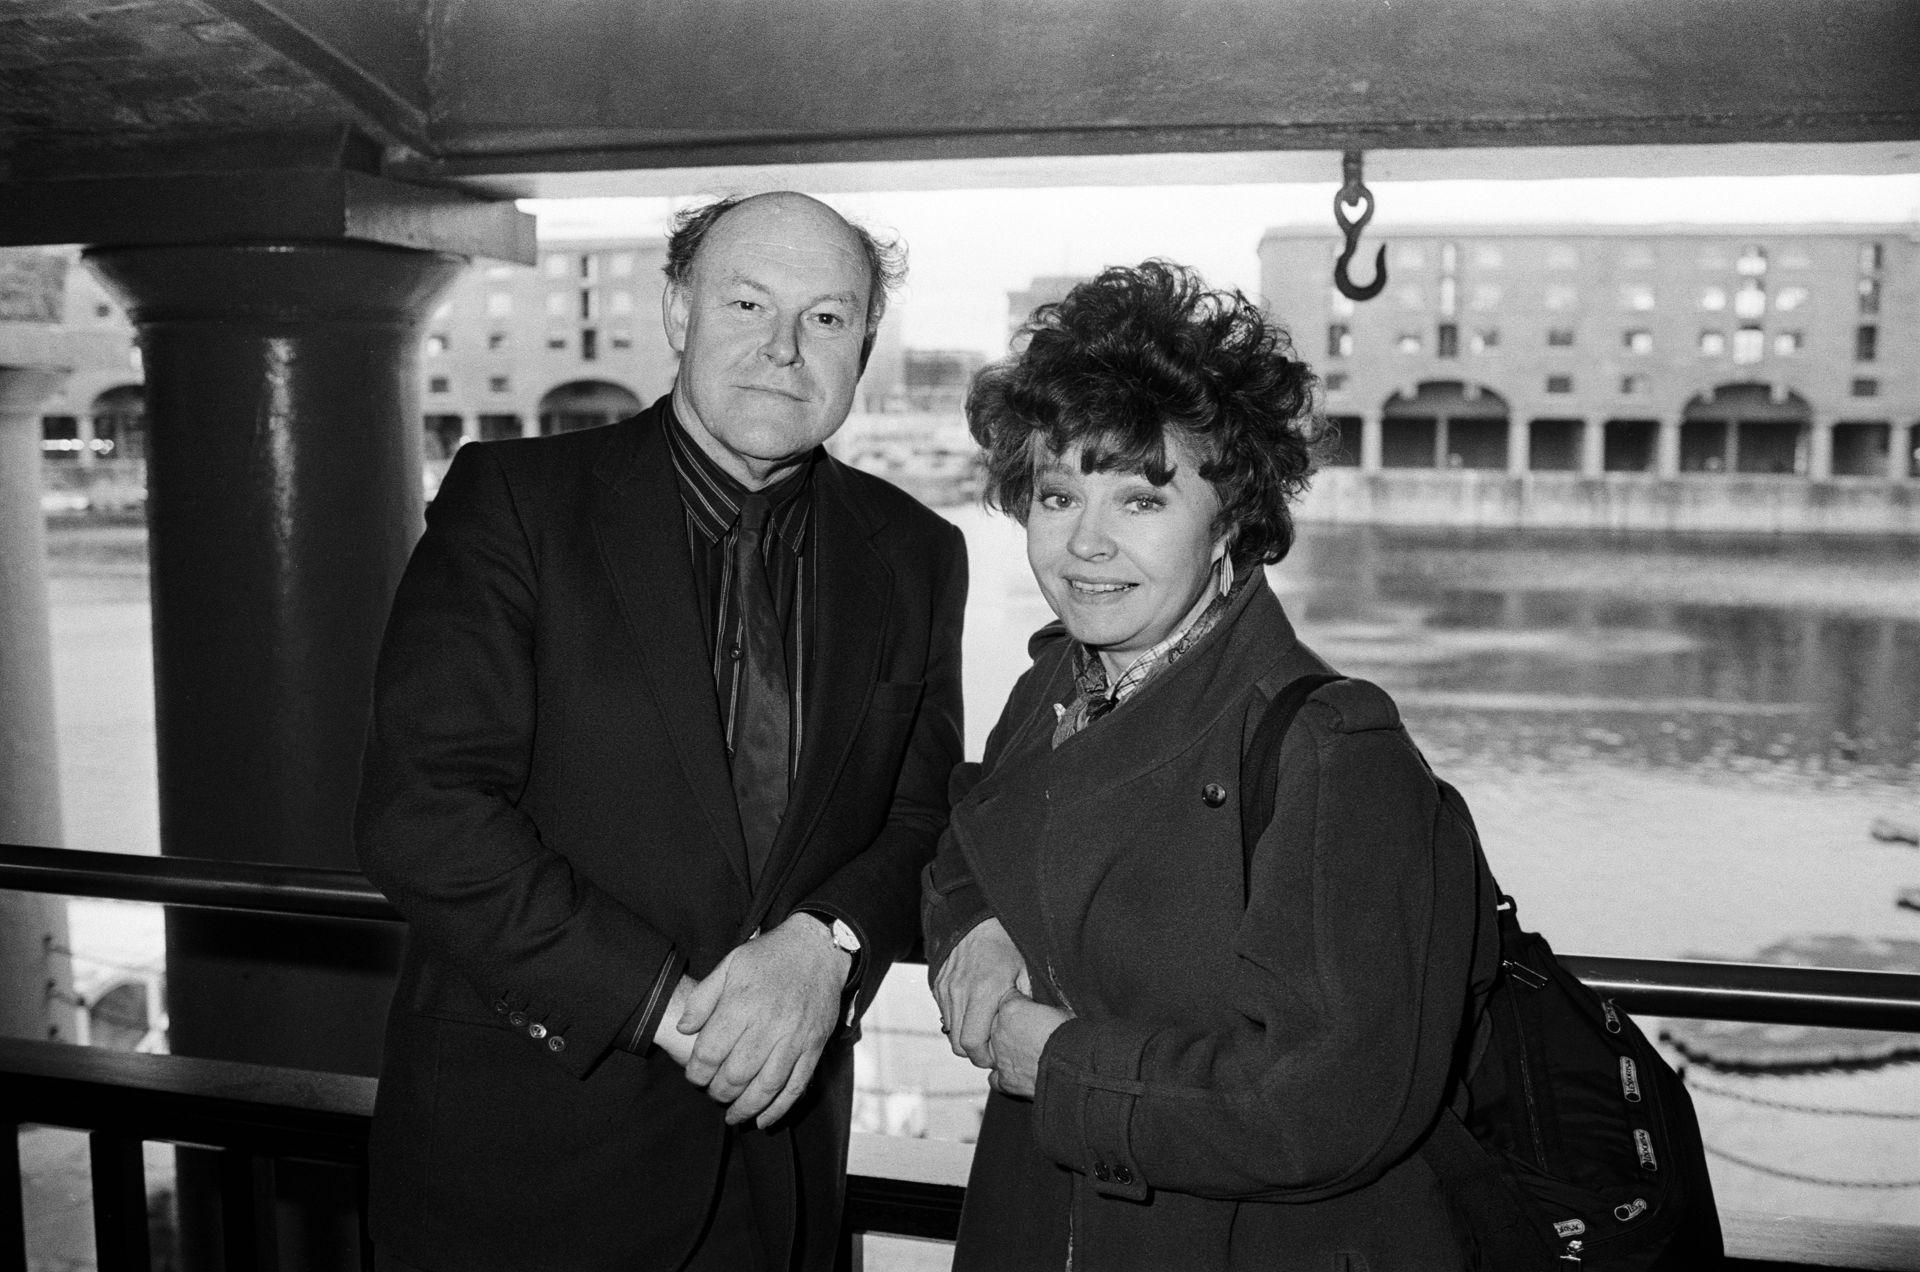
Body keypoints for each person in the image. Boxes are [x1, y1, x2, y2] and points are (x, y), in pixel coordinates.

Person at [357, 191, 968, 1271]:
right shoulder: (515, 502)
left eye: (827, 318)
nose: (784, 348)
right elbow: (427, 810)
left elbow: (918, 815)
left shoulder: (917, 553)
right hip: (525, 1169)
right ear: (678, 313)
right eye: (747, 302)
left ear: (863, 347)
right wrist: (665, 1007)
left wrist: (826, 947)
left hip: (777, 1177)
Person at [922, 261, 1498, 1270]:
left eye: (1142, 500)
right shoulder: (1053, 690)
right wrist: (972, 926)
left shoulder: (1329, 751)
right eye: (1058, 495)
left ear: (1232, 517)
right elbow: (969, 837)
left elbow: (1321, 1100)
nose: (1085, 543)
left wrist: (1058, 1065)